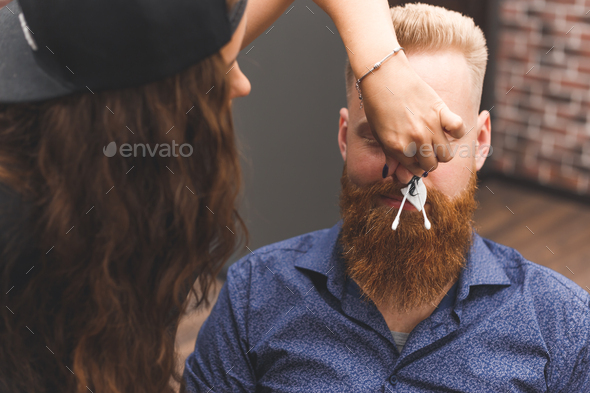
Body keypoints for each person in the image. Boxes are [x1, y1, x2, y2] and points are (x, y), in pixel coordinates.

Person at [0, 0, 469, 392]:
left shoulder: (100, 88)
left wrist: (383, 64)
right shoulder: (23, 247)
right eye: (221, 67)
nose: (243, 84)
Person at [183, 4, 590, 392]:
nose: (406, 171)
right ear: (345, 137)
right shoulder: (253, 296)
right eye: (379, 138)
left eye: (436, 142)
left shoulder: (563, 324)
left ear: (481, 142)